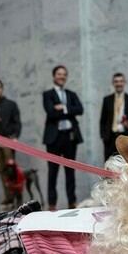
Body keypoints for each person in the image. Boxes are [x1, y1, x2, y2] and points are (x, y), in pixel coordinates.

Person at [42, 65, 83, 210]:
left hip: (70, 137)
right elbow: (50, 112)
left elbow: (80, 109)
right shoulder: (47, 94)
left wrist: (63, 108)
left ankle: (72, 202)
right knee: (52, 171)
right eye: (59, 74)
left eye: (64, 74)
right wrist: (67, 110)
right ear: (54, 76)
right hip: (54, 138)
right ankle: (52, 203)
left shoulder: (71, 94)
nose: (62, 76)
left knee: (70, 171)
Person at [0, 79, 21, 206]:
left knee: (11, 170)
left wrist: (15, 137)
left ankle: (17, 196)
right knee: (1, 170)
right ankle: (9, 197)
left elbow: (17, 122)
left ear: (2, 88)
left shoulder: (11, 105)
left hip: (8, 141)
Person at [99, 72, 128, 160]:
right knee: (109, 164)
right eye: (116, 81)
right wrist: (104, 136)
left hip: (126, 135)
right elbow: (102, 120)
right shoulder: (107, 100)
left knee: (126, 163)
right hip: (110, 137)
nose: (118, 84)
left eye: (120, 81)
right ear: (113, 83)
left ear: (124, 82)